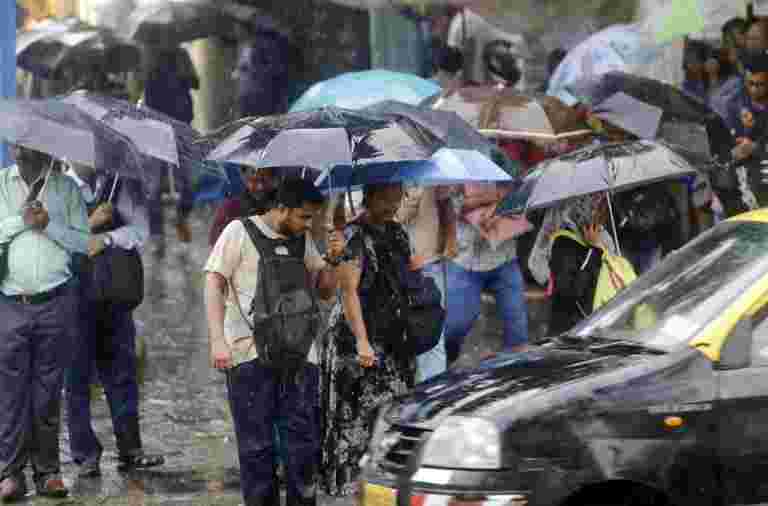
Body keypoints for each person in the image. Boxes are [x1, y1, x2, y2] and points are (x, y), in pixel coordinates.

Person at [204, 177, 342, 506]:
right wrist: (217, 340)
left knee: (302, 445)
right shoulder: (238, 231)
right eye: (303, 217)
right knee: (256, 448)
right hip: (248, 355)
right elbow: (213, 283)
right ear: (281, 208)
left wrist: (334, 259)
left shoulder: (301, 238)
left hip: (300, 356)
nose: (308, 224)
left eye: (311, 218)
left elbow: (324, 291)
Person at [320, 183, 425, 496]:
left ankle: (388, 485)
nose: (394, 204)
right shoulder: (353, 235)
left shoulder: (397, 233)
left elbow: (406, 278)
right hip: (359, 337)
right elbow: (348, 293)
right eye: (388, 198)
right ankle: (353, 488)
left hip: (394, 336)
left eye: (398, 197)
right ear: (371, 196)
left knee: (395, 413)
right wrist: (362, 341)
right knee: (356, 420)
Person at [0, 145, 90, 501]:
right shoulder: (1, 185)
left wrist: (49, 225)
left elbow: (83, 242)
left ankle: (48, 471)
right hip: (9, 301)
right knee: (10, 392)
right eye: (16, 145)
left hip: (55, 301)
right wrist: (20, 221)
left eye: (28, 145)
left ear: (43, 148)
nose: (21, 151)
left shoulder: (66, 189)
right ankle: (9, 472)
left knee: (48, 391)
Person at [63, 163, 163, 478]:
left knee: (122, 374)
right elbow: (53, 238)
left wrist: (106, 237)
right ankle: (85, 454)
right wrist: (88, 225)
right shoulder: (60, 188)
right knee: (76, 379)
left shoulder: (123, 184)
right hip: (74, 298)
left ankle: (130, 448)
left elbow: (140, 231)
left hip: (115, 295)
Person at [440, 183, 529, 365]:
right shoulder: (456, 164)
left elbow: (521, 195)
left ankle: (511, 376)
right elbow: (451, 203)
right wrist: (493, 198)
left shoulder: (505, 162)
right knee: (455, 326)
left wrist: (490, 203)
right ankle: (446, 363)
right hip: (465, 260)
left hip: (504, 257)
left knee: (518, 330)